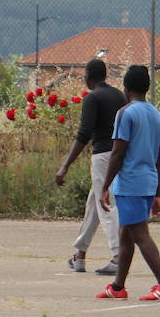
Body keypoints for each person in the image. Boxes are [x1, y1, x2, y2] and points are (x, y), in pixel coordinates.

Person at [97, 65, 160, 301]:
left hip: (130, 183)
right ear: (147, 87)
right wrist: (157, 192)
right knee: (126, 234)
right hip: (147, 182)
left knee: (140, 234)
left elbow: (117, 152)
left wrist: (104, 187)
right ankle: (118, 287)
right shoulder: (156, 115)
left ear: (126, 87)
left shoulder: (126, 113)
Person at [55, 58, 127, 275]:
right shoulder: (119, 96)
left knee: (105, 205)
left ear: (90, 75)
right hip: (119, 155)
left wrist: (65, 166)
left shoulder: (92, 98)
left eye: (85, 74)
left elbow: (84, 134)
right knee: (94, 204)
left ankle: (117, 256)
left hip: (103, 157)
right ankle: (80, 255)